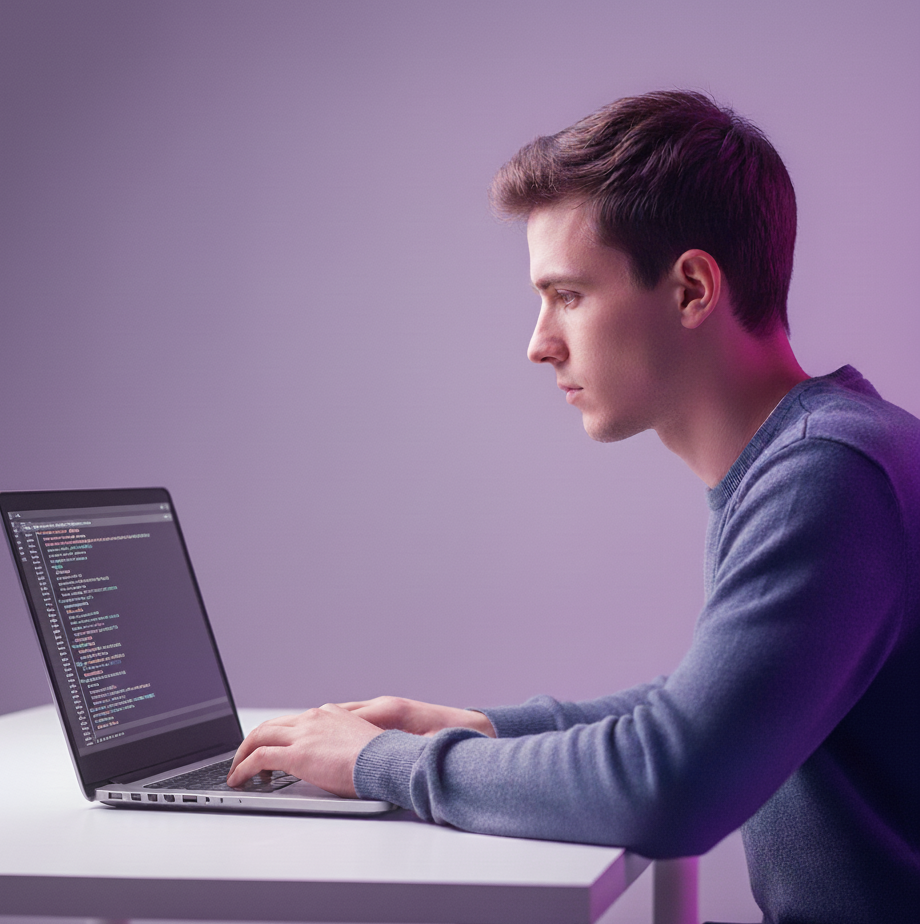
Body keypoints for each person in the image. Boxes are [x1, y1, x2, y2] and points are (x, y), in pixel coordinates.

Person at [227, 91, 920, 922]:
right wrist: (477, 727)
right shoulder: (827, 452)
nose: (538, 341)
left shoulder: (829, 473)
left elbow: (674, 782)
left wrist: (386, 764)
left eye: (570, 295)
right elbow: (707, 710)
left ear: (693, 288)